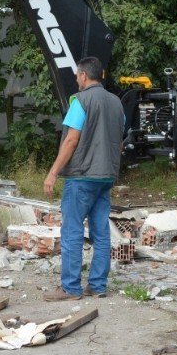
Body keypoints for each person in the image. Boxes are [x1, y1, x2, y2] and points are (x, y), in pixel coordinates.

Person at [42, 56, 124, 301]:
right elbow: (118, 140)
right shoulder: (116, 103)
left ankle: (70, 288)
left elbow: (71, 140)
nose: (76, 78)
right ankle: (98, 286)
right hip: (106, 176)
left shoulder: (80, 101)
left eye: (77, 74)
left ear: (84, 76)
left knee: (73, 232)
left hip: (82, 177)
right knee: (101, 233)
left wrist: (53, 172)